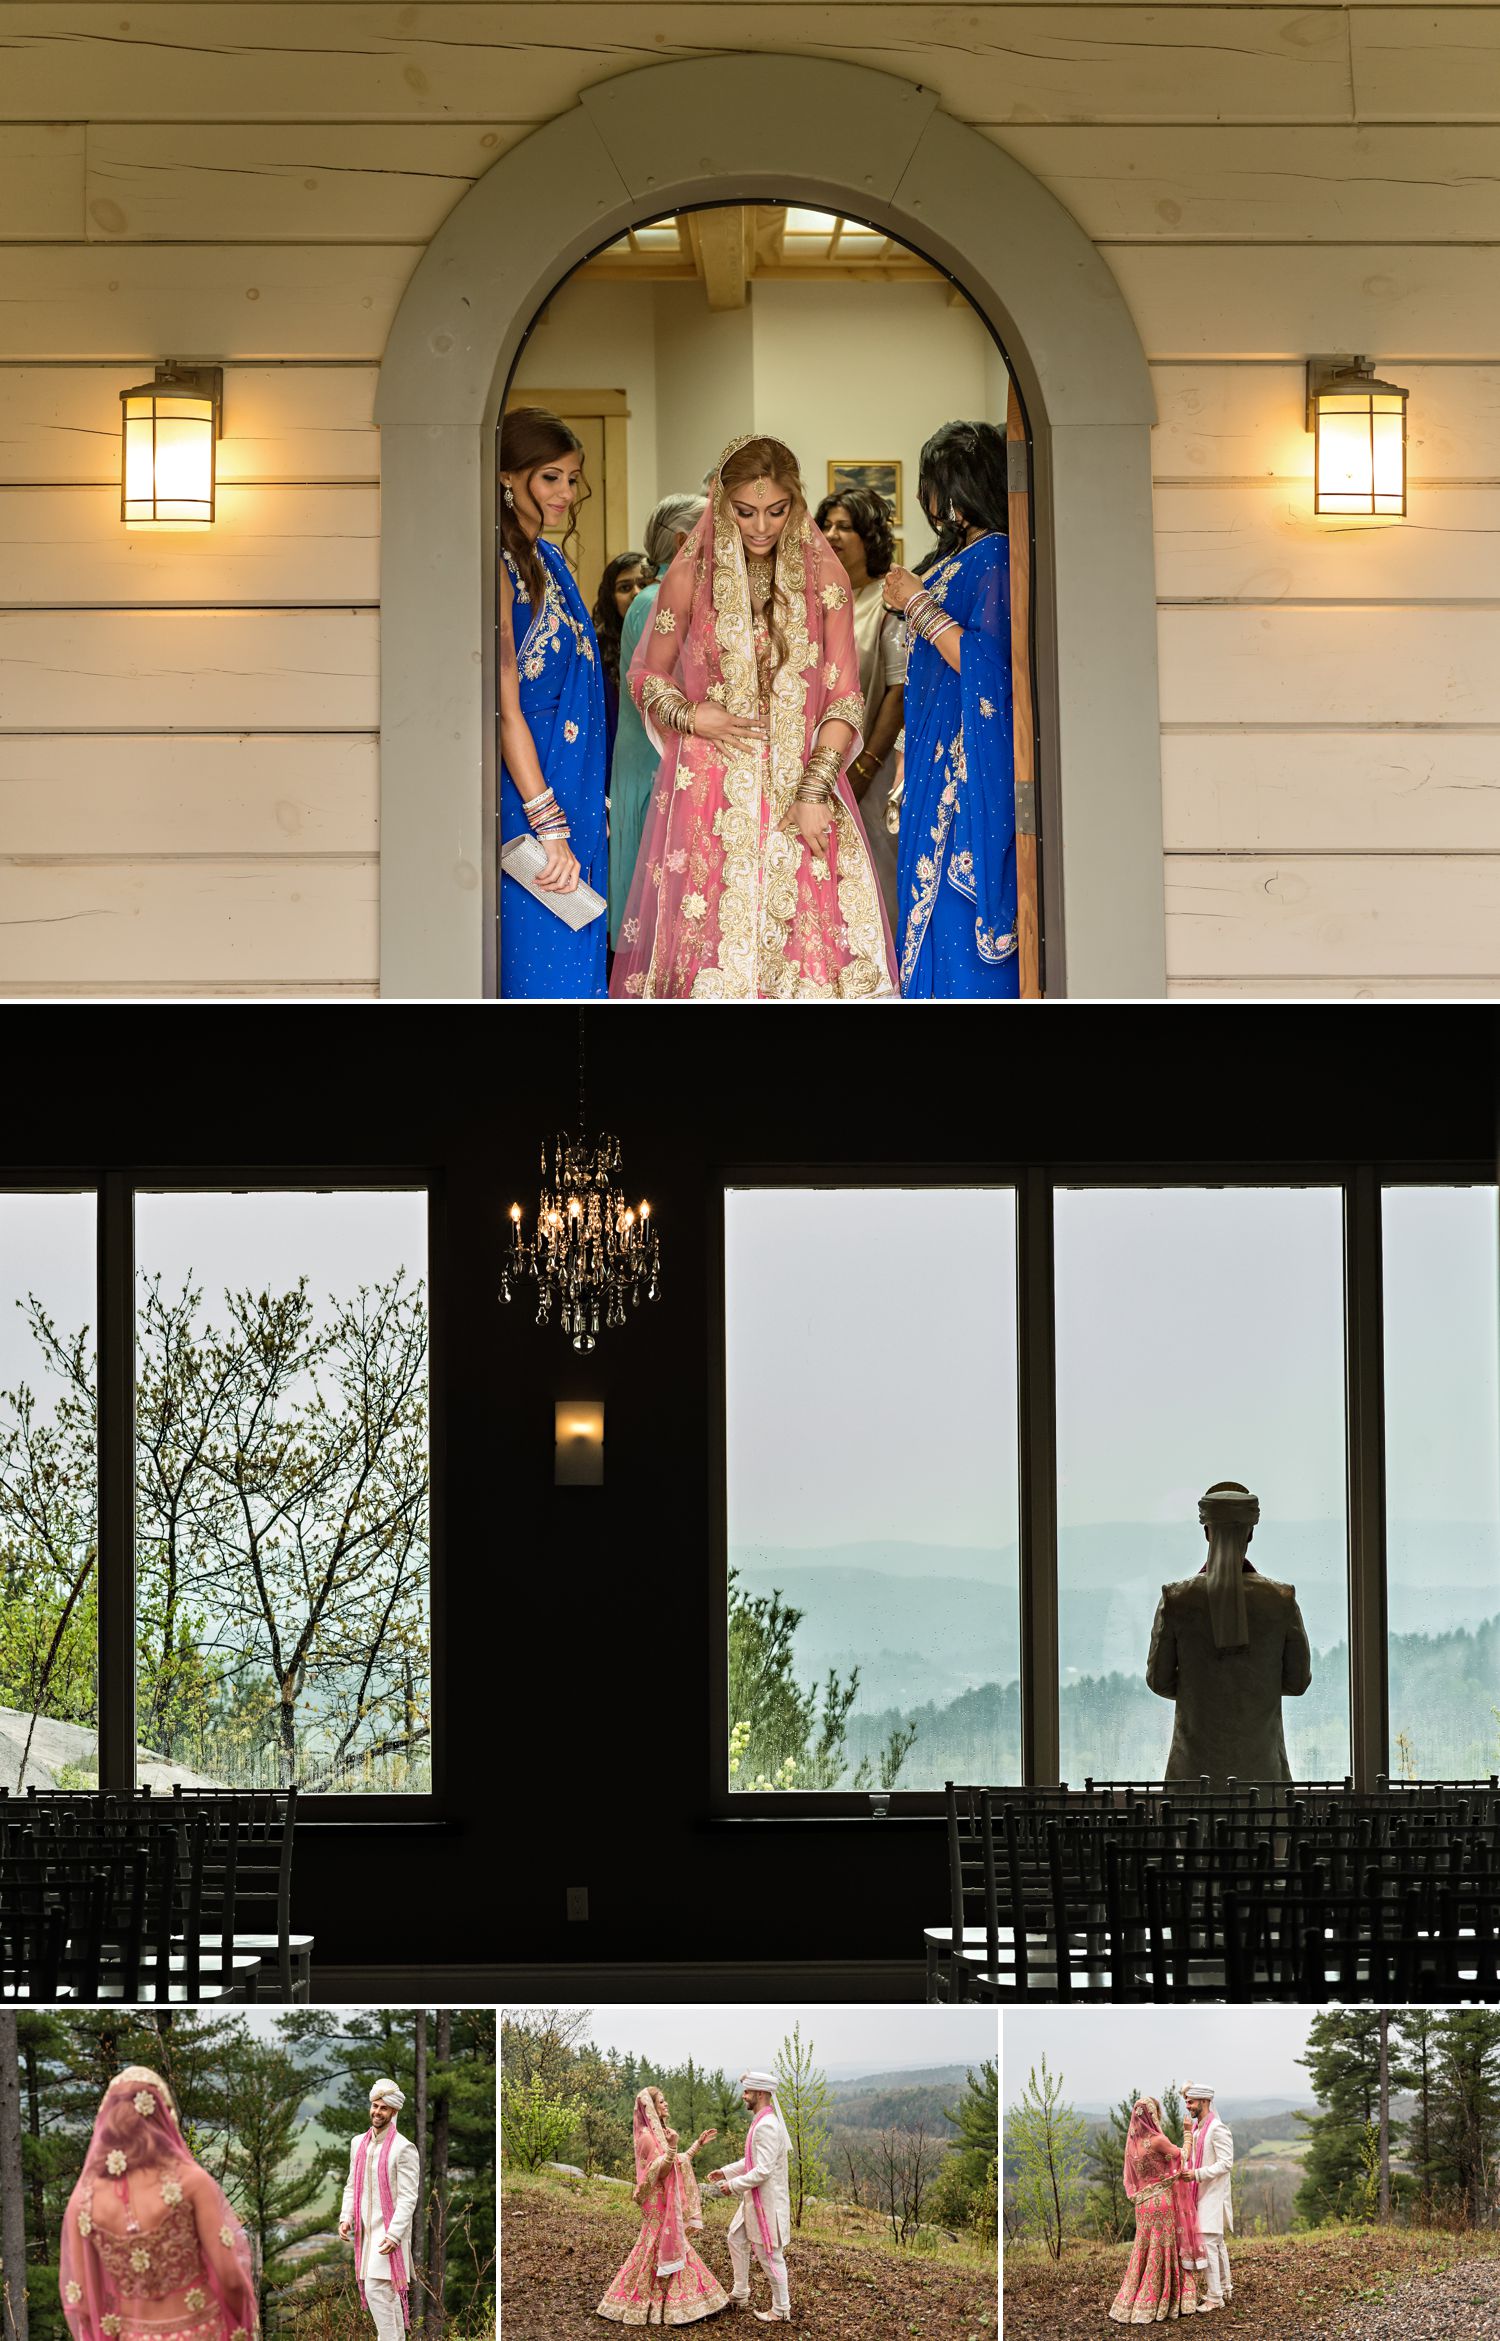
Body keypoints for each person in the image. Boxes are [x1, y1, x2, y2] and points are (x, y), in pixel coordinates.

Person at [609, 433, 896, 1000]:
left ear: (795, 503)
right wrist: (693, 716)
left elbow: (844, 699)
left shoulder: (826, 583)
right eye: (744, 512)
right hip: (708, 791)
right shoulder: (691, 578)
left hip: (802, 786)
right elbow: (645, 676)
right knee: (709, 954)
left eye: (776, 510)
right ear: (721, 506)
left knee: (808, 961)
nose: (761, 526)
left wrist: (814, 790)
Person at [882, 419, 1017, 998]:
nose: (923, 500)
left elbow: (991, 665)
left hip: (964, 778)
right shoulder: (960, 557)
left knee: (953, 918)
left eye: (930, 483)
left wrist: (917, 604)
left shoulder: (995, 559)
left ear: (958, 488)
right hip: (930, 768)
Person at [499, 405, 608, 998]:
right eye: (549, 477)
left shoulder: (553, 563)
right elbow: (504, 709)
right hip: (531, 800)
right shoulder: (495, 566)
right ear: (507, 478)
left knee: (579, 959)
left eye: (572, 477)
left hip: (576, 793)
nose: (566, 492)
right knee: (544, 967)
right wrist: (548, 825)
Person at [59, 2066, 258, 2341]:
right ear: (164, 2116)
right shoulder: (192, 2182)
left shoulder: (83, 2201)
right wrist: (241, 2325)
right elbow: (231, 2280)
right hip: (202, 2332)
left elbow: (81, 2303)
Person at [1146, 1481, 1314, 1785]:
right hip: (1263, 1771)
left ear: (1207, 1531)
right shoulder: (1280, 1599)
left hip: (1193, 1772)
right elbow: (1297, 1681)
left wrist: (1200, 1691)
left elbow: (1159, 1680)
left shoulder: (1177, 1599)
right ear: (1250, 1532)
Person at [608, 492, 707, 947]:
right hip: (654, 764)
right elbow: (673, 689)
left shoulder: (675, 594)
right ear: (686, 539)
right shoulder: (655, 600)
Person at [814, 487, 905, 931]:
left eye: (844, 527)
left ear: (869, 536)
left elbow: (899, 690)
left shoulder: (886, 605)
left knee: (875, 884)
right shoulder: (813, 603)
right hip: (816, 770)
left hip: (872, 768)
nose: (831, 534)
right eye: (826, 525)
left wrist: (866, 767)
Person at [597, 2086, 728, 2326]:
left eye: (665, 2101)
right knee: (655, 2247)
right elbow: (659, 2170)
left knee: (668, 2244)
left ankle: (682, 2300)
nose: (666, 2105)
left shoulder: (662, 2134)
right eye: (661, 2102)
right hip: (656, 2204)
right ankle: (643, 2301)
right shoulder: (647, 2137)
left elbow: (678, 2162)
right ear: (650, 2109)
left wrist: (697, 2144)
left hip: (665, 2202)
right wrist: (673, 2146)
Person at [703, 2071, 792, 2325]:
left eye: (747, 2092)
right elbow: (752, 2160)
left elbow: (763, 2170)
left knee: (770, 2255)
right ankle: (740, 2292)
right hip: (754, 2201)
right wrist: (726, 2171)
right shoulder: (761, 2122)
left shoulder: (767, 2126)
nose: (743, 2096)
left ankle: (781, 2308)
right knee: (735, 2237)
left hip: (767, 2205)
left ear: (760, 2094)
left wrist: (732, 2185)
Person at [338, 2078, 420, 2341]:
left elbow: (408, 2198)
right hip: (366, 2235)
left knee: (377, 2292)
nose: (377, 2112)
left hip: (388, 2237)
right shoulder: (358, 2143)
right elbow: (352, 2185)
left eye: (383, 2108)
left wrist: (394, 2234)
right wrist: (346, 2217)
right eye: (375, 2106)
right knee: (388, 2301)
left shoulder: (403, 2148)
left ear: (393, 2112)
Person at [1108, 2098, 1201, 2324]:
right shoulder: (1157, 2140)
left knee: (1144, 2249)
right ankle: (1164, 2298)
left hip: (1143, 2206)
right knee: (1164, 2248)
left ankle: (1136, 2300)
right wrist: (1188, 2133)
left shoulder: (1132, 2145)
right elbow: (1183, 2155)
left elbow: (1132, 2178)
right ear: (1153, 2115)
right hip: (1161, 2202)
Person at [592, 549, 652, 762]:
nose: (637, 593)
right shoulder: (596, 647)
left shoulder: (672, 640)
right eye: (625, 588)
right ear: (610, 597)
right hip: (614, 755)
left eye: (643, 585)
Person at [1183, 2088, 1234, 2312]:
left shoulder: (1217, 2129)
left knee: (1208, 2244)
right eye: (1186, 2101)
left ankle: (1215, 2298)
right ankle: (1225, 2287)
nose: (1188, 2106)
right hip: (1200, 2193)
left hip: (1213, 2194)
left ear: (1205, 2101)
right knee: (1216, 2243)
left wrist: (1197, 2174)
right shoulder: (1197, 2130)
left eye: (1191, 2102)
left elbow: (1226, 2163)